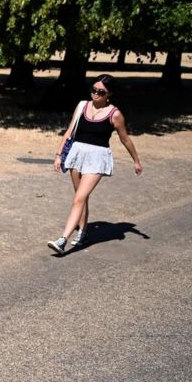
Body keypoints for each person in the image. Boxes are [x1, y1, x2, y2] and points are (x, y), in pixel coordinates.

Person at [49, 74, 143, 254]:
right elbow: (69, 131)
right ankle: (83, 230)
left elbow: (125, 139)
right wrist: (58, 155)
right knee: (80, 196)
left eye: (101, 92)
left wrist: (136, 161)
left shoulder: (115, 114)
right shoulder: (82, 106)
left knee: (78, 198)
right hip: (77, 154)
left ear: (109, 94)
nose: (96, 94)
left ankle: (62, 240)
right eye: (93, 90)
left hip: (97, 158)